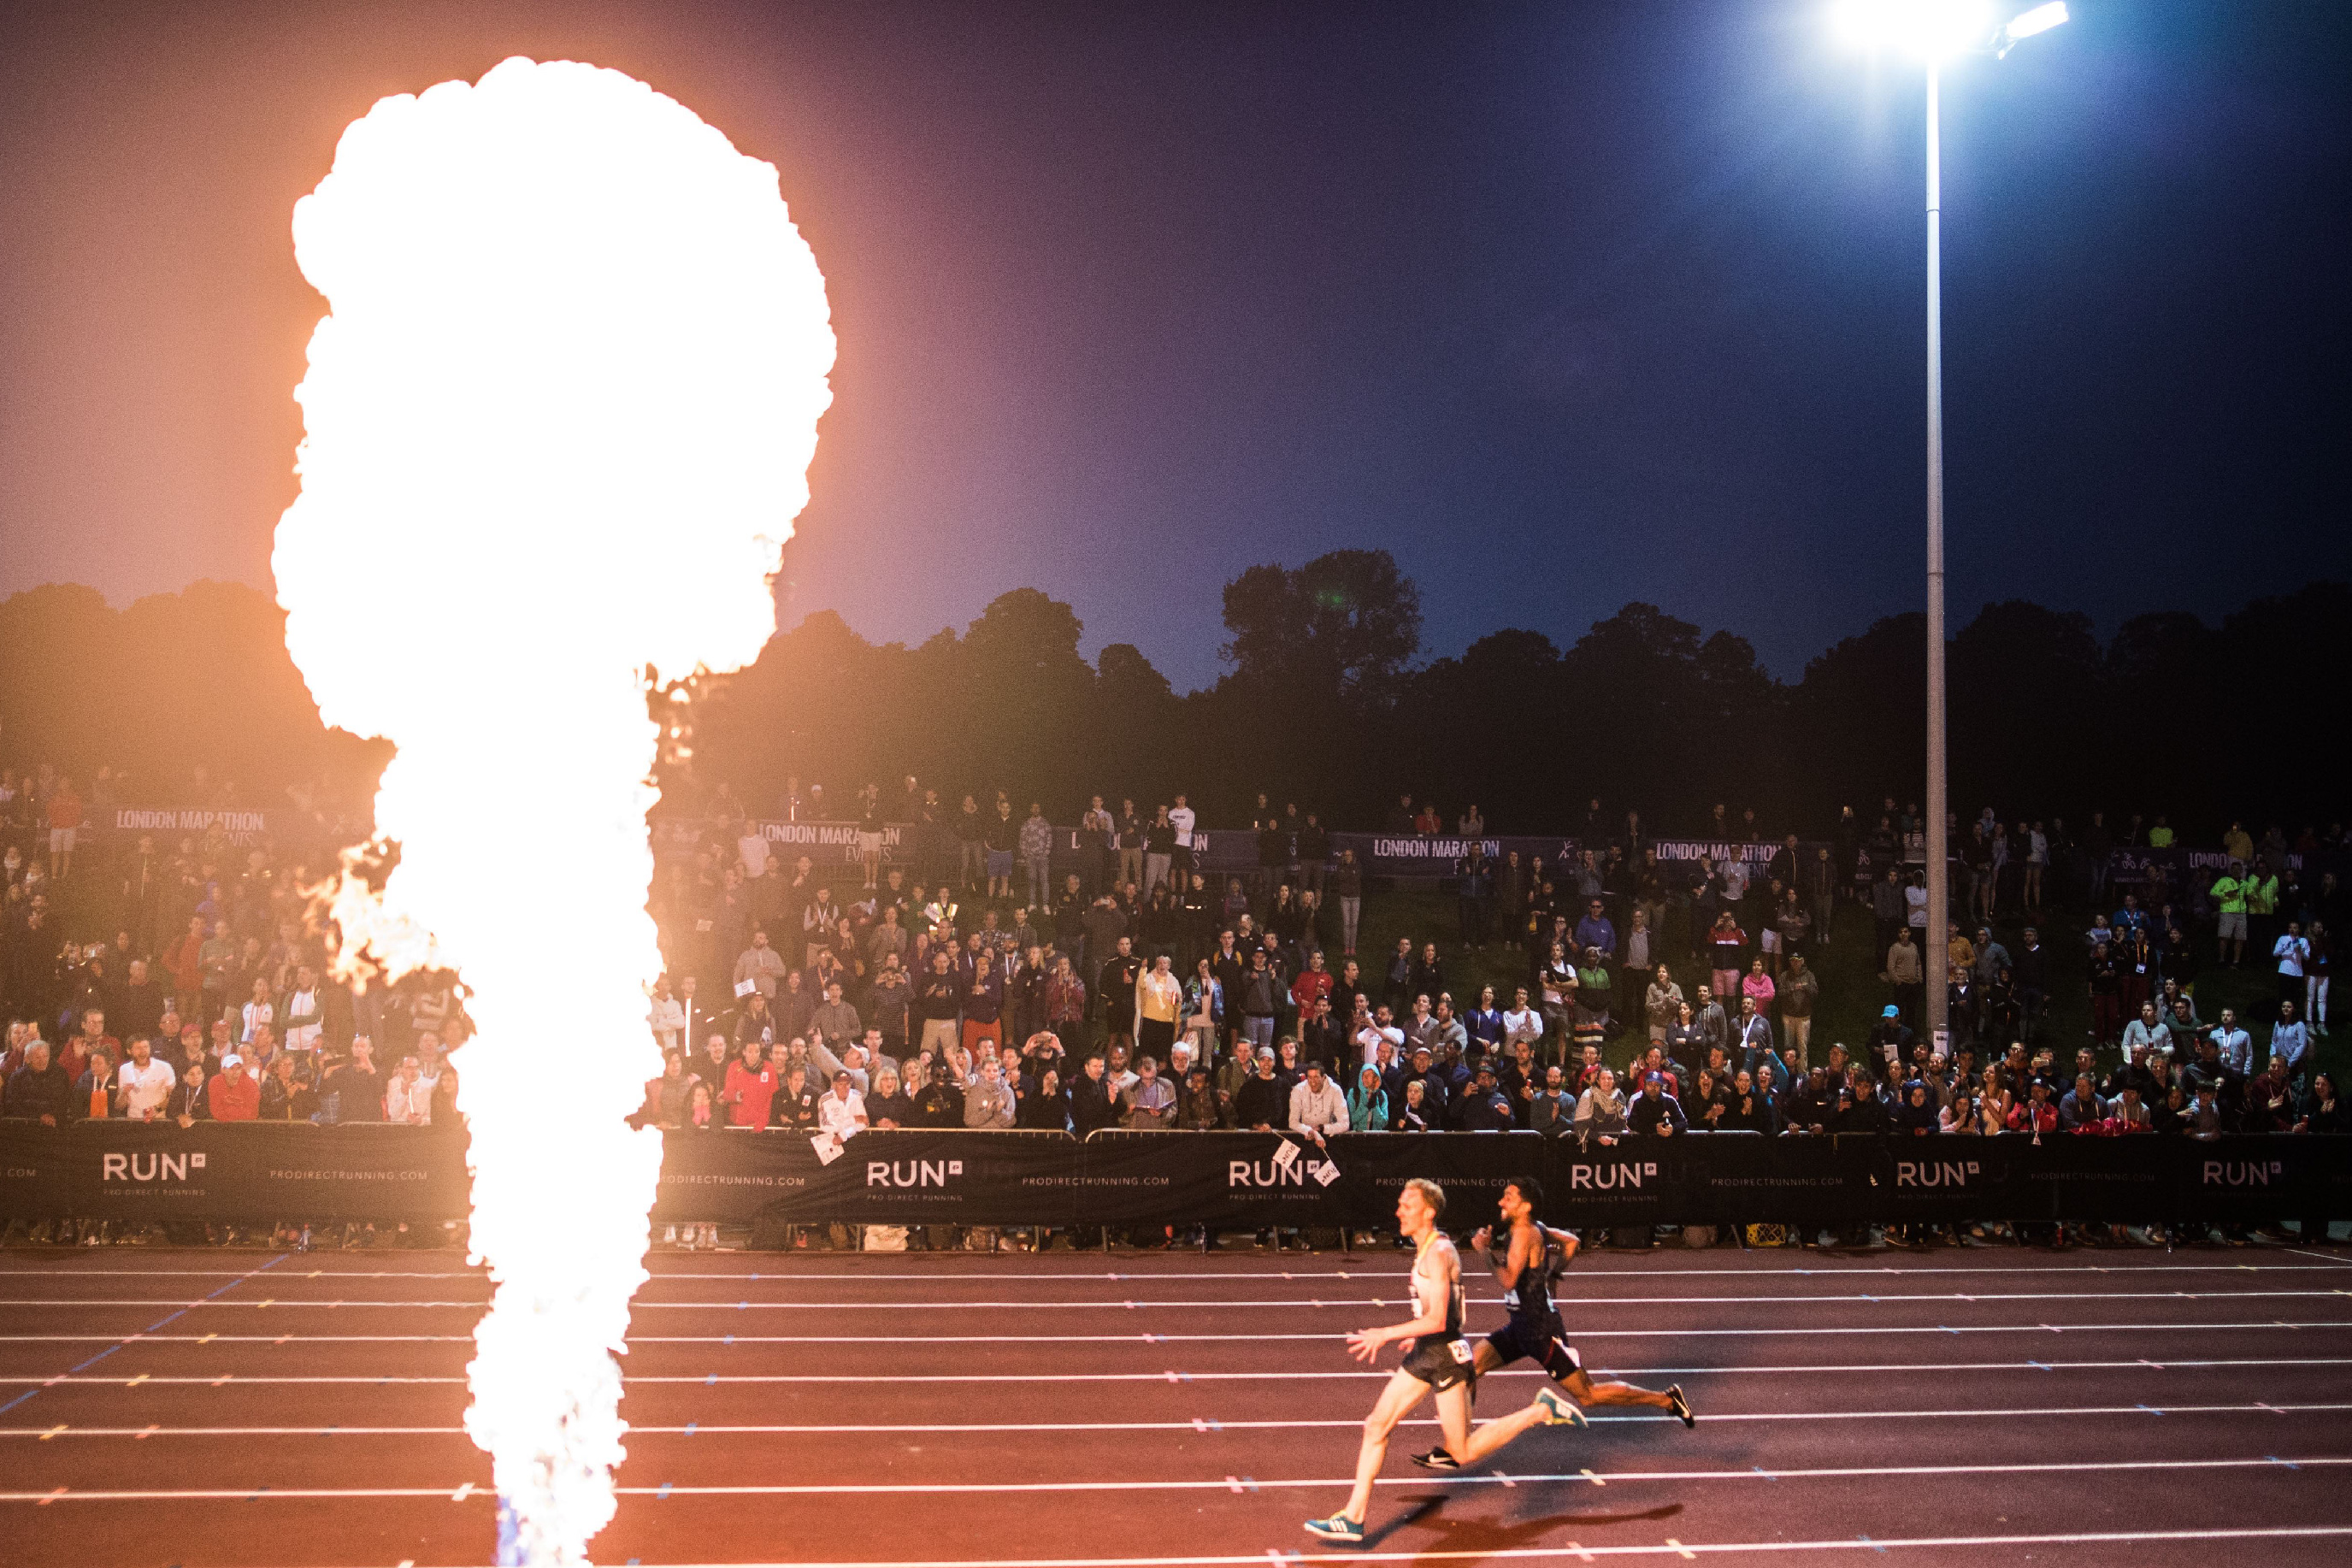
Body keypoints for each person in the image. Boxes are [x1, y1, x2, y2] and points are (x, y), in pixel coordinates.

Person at [1304, 1179, 1584, 1545]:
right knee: (1375, 1426)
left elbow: (1439, 1321)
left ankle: (1538, 1411)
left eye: (1407, 1204)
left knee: (1461, 1451)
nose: (1399, 1211)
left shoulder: (1439, 1252)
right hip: (1428, 1352)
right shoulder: (1426, 1250)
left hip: (1447, 1359)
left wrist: (1385, 1333)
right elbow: (1444, 1313)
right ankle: (1353, 1518)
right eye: (1400, 1204)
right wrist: (1415, 1334)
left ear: (1429, 1211)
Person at [1412, 1179, 1691, 1476]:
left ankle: (1666, 1399)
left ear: (1526, 1206)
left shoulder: (1524, 1233)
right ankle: (1456, 1446)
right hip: (1521, 1327)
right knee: (1467, 1368)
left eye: (1508, 1197)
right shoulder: (1538, 1229)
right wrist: (1554, 1272)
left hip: (1541, 1331)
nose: (1501, 1203)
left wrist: (1483, 1251)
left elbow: (1507, 1280)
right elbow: (1572, 1241)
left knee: (1588, 1395)